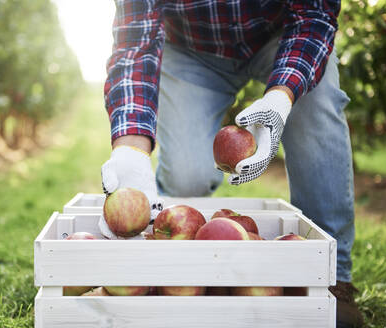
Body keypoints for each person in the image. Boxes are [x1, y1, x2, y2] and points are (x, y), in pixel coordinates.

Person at [99, 1, 363, 327]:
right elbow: (134, 41)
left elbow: (315, 14)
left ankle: (333, 276)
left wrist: (281, 98)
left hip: (280, 33)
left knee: (317, 104)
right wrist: (130, 149)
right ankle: (171, 274)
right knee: (187, 176)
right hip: (192, 49)